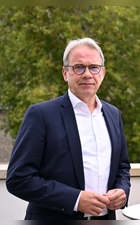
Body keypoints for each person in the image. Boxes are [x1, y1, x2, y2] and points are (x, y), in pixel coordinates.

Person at [6, 37, 131, 220]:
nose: (87, 74)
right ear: (65, 73)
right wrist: (75, 199)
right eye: (79, 67)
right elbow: (18, 179)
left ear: (102, 73)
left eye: (94, 67)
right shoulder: (41, 114)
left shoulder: (113, 114)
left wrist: (122, 190)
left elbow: (122, 166)